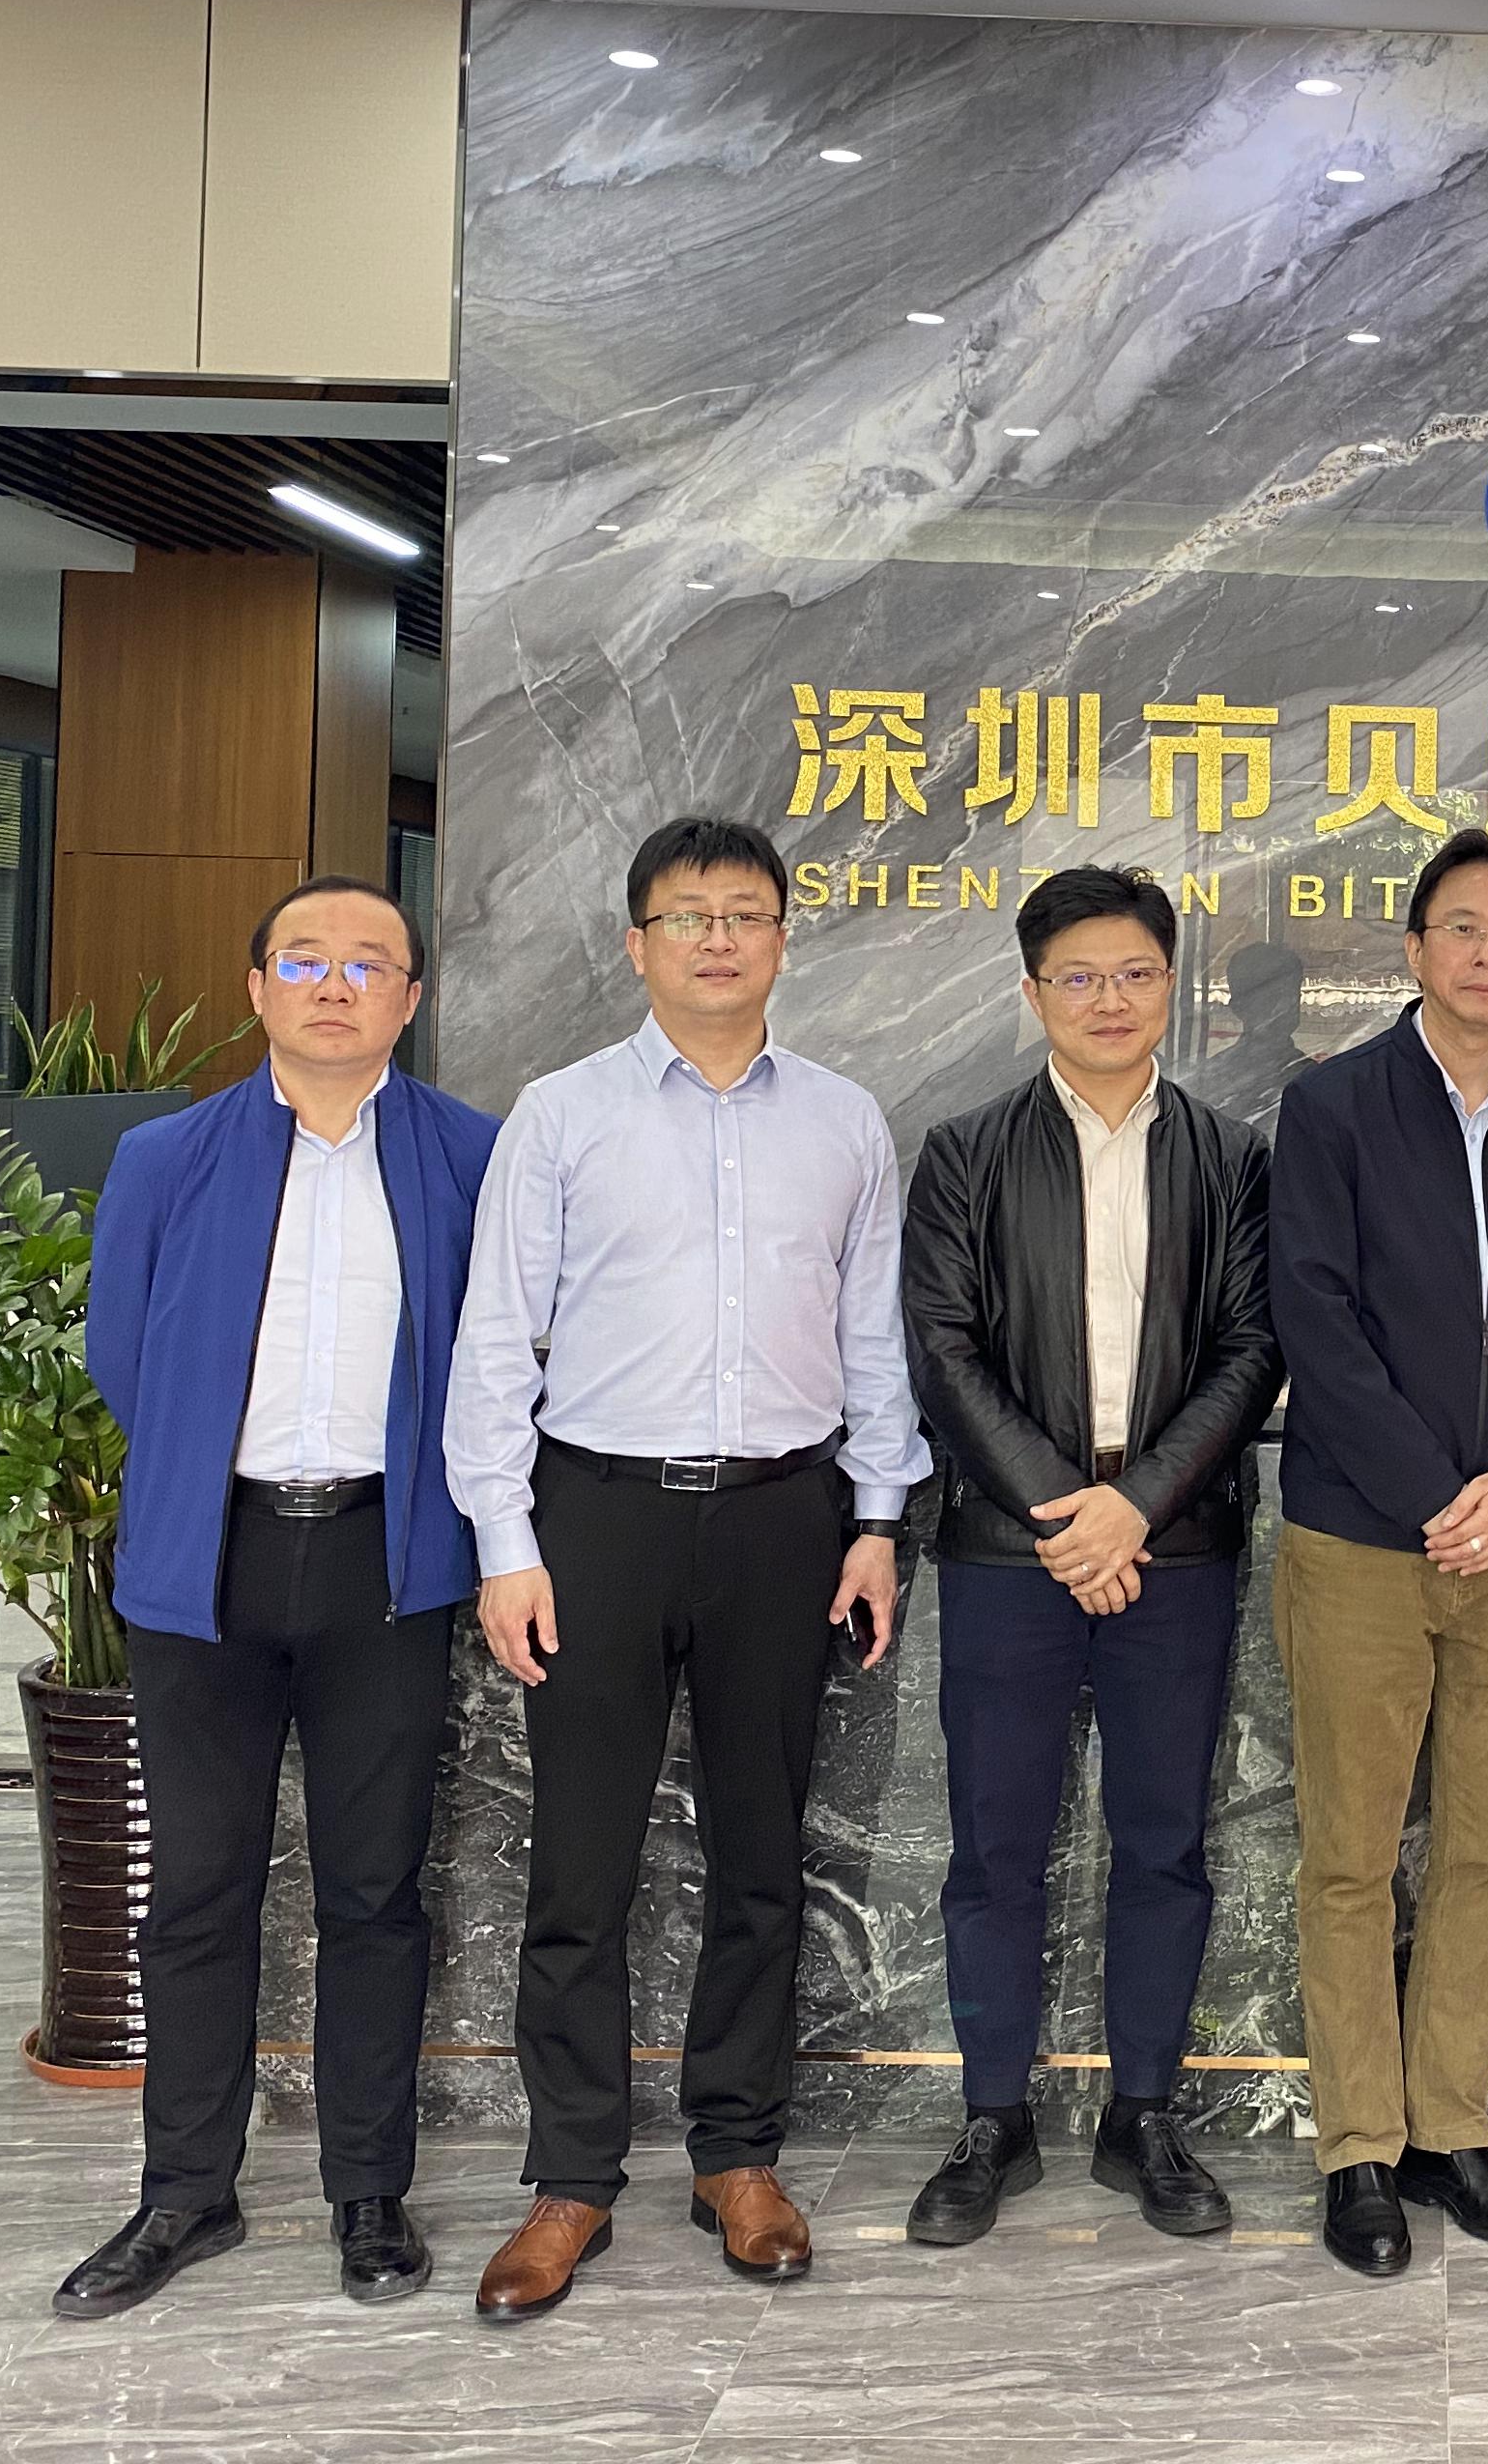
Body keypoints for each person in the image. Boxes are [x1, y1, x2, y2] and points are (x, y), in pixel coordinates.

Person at [444, 816, 928, 2320]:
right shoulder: (562, 1114)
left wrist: (876, 1518)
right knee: (579, 1869)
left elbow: (871, 1338)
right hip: (597, 1517)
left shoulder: (844, 1121)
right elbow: (494, 1337)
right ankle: (571, 2177)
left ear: (783, 938)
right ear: (637, 942)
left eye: (745, 914)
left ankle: (739, 2155)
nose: (718, 938)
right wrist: (505, 1542)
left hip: (787, 1519)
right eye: (688, 915)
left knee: (763, 1860)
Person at [55, 876, 501, 2320]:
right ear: (257, 989)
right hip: (210, 1562)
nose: (335, 984)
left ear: (410, 1000)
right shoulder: (166, 1156)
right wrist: (207, 1477)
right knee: (198, 1888)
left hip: (388, 1560)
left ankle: (369, 2192)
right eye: (304, 960)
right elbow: (125, 1351)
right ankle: (185, 2191)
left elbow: (499, 1352)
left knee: (376, 1890)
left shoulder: (470, 1155)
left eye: (370, 963)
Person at [896, 866, 1285, 2248]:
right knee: (995, 1846)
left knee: (1164, 1843)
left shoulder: (1232, 1158)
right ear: (1033, 992)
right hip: (1012, 1553)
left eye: (1134, 973)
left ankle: (1145, 2118)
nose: (1108, 999)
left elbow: (1254, 1346)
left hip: (1176, 1553)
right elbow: (941, 1350)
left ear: (1171, 985)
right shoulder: (965, 1152)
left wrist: (1142, 1507)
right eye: (1079, 976)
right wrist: (1071, 1512)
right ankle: (992, 2119)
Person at [1268, 826, 1488, 2279]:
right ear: (1414, 949)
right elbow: (1314, 1317)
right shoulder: (1332, 1104)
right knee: (1352, 1856)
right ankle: (1359, 2146)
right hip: (1363, 1534)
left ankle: (1450, 2127)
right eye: (1464, 928)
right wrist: (1436, 1493)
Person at [1202, 939, 1313, 1130]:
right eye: (1272, 997)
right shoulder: (1212, 1080)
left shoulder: (1312, 1078)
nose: (1285, 1006)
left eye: (1292, 995)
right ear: (1238, 1007)